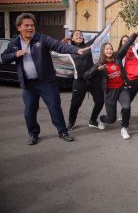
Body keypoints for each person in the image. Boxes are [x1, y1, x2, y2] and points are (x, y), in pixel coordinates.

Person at [1, 13, 86, 145]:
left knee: (54, 107)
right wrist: (16, 54)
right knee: (29, 110)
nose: (30, 28)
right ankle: (33, 133)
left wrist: (75, 50)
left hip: (47, 83)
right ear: (19, 27)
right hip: (28, 84)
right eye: (26, 25)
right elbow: (4, 58)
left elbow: (59, 45)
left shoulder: (42, 39)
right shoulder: (14, 43)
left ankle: (62, 131)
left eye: (32, 25)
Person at [84, 26, 138, 140]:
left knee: (126, 107)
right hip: (110, 92)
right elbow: (86, 75)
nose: (109, 50)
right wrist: (97, 69)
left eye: (110, 48)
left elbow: (126, 45)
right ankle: (100, 119)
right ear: (103, 52)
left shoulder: (117, 57)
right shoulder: (99, 64)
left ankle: (124, 128)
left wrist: (134, 34)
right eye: (106, 49)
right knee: (111, 119)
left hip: (122, 89)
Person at [66, 28, 108, 130]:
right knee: (75, 104)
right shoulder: (68, 49)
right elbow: (53, 50)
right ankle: (71, 122)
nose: (79, 36)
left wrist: (110, 24)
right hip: (79, 81)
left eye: (81, 34)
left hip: (93, 78)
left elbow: (100, 35)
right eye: (76, 35)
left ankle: (93, 120)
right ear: (72, 38)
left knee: (100, 101)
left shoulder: (89, 46)